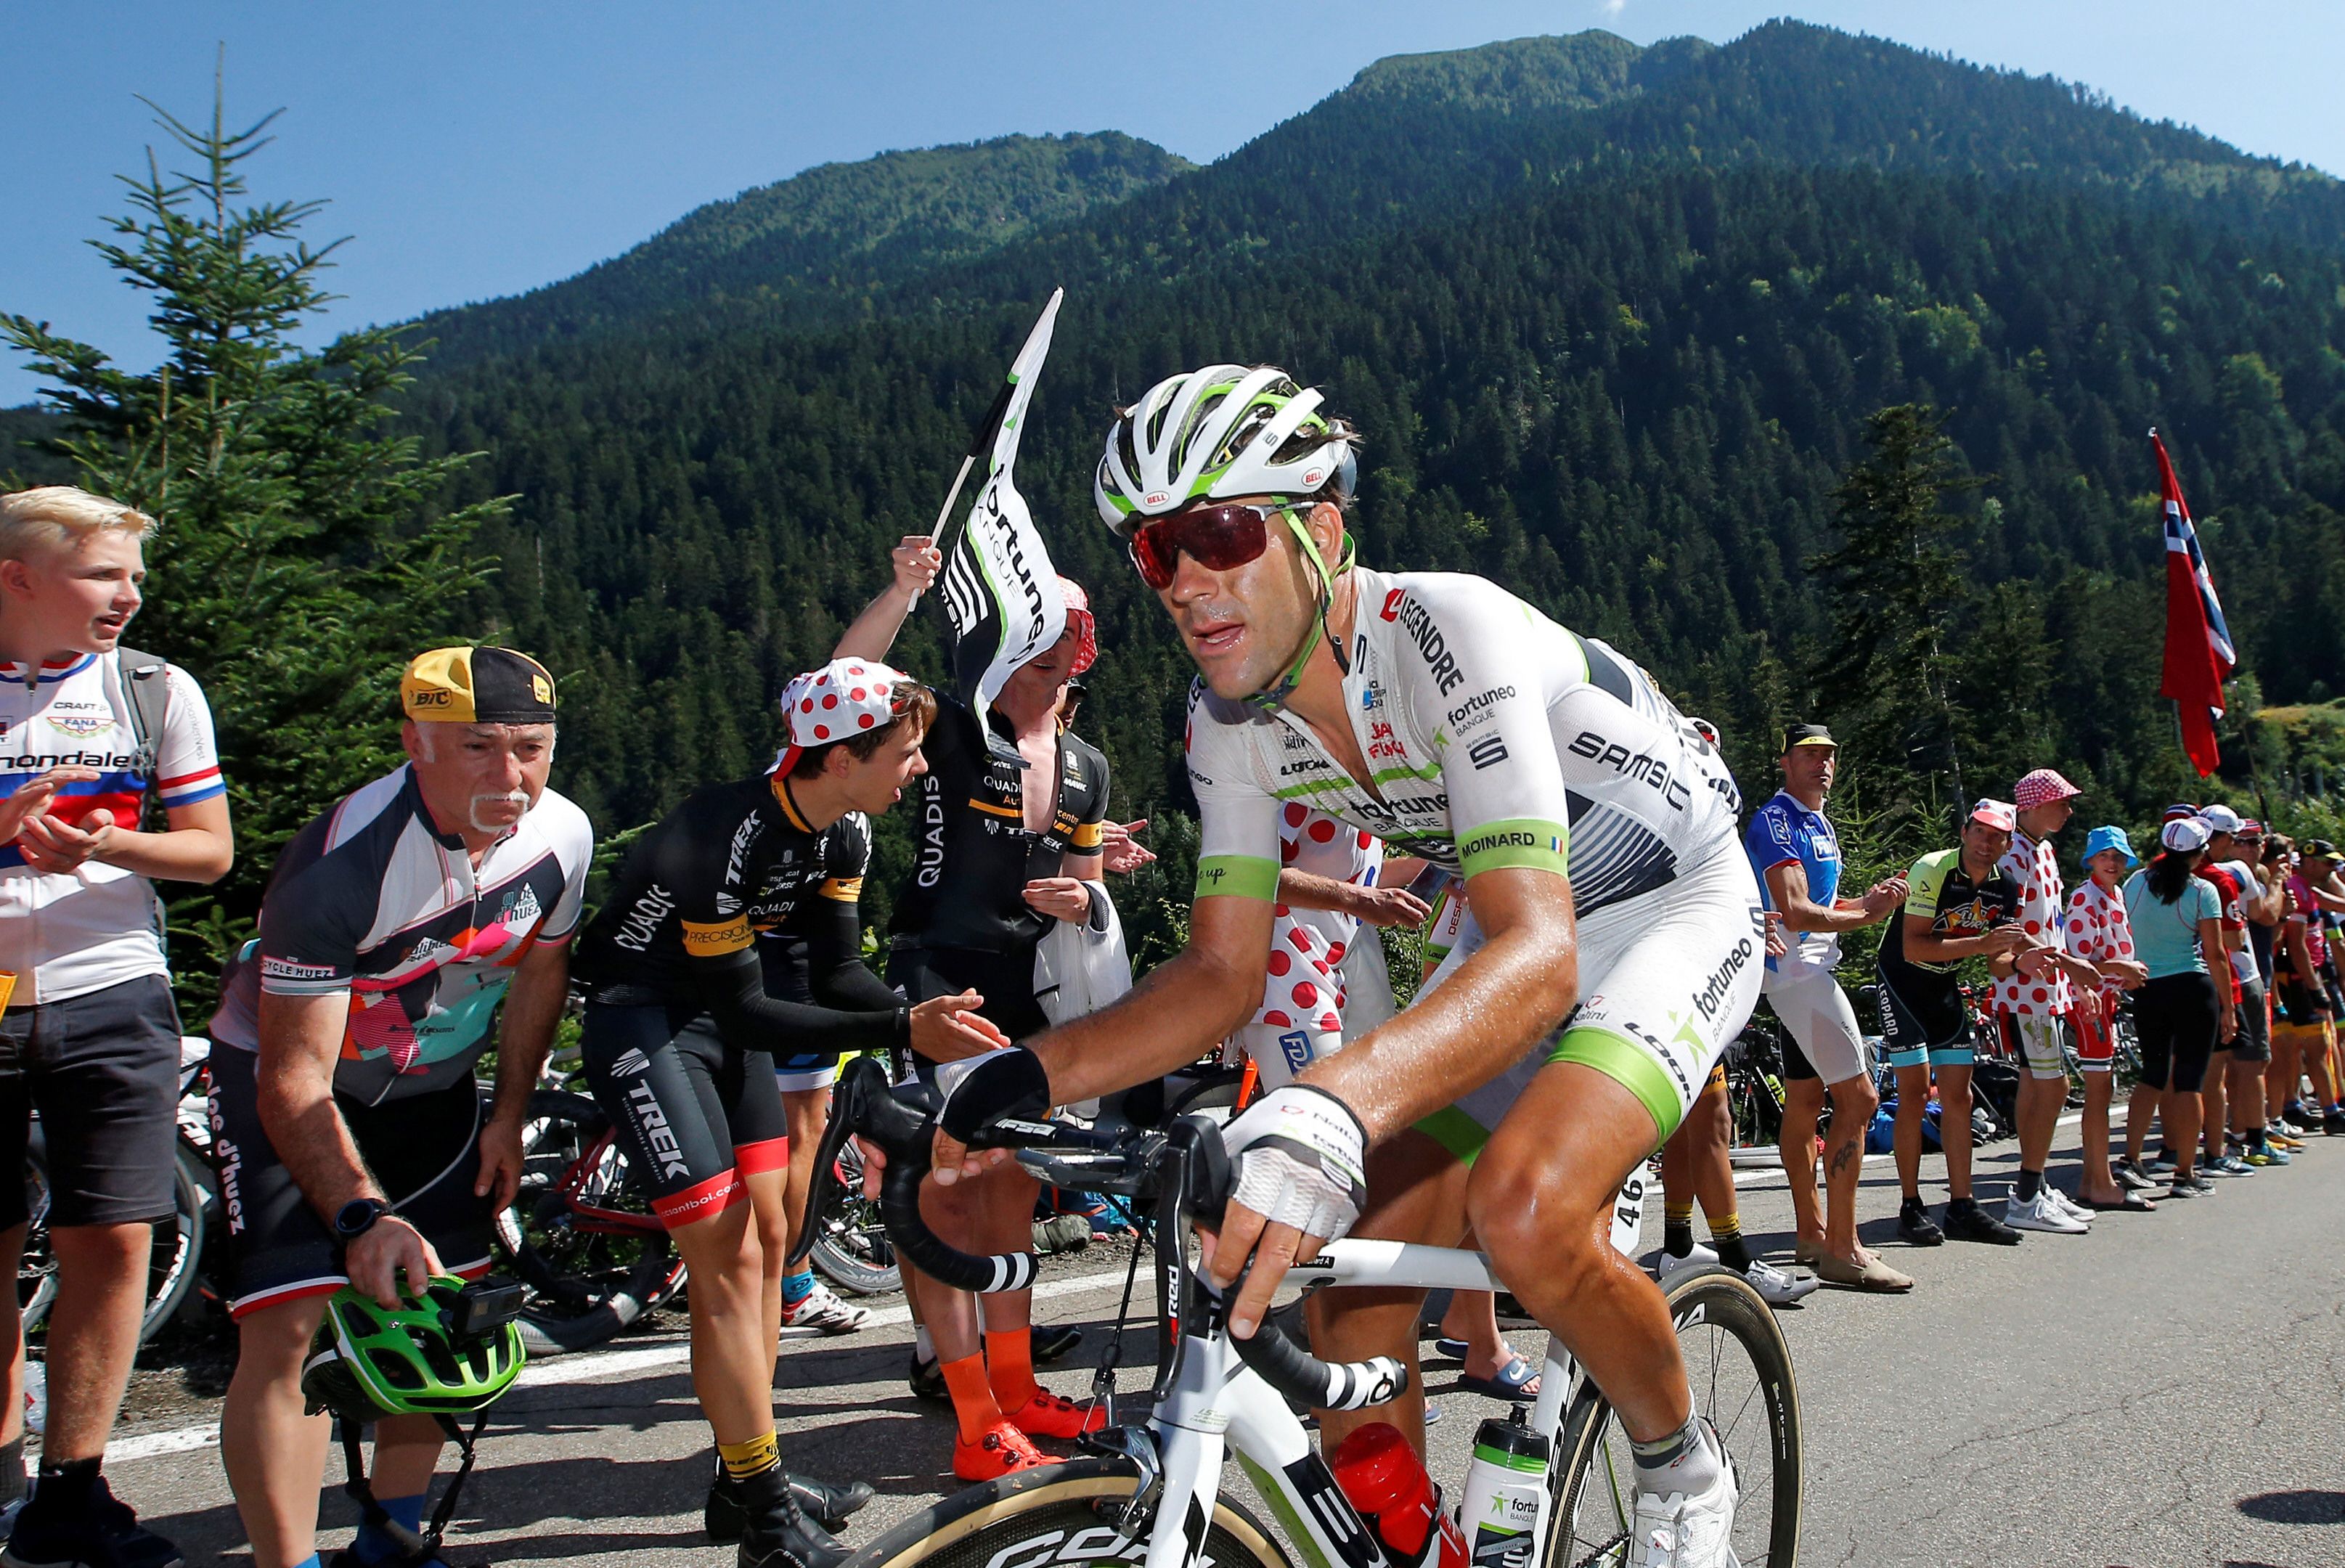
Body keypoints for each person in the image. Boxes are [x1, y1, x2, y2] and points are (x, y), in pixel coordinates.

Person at [915, 364, 1766, 1563]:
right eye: (1158, 552)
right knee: (1349, 1284)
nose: (1187, 583)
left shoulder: (1445, 629)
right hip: (1520, 931)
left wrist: (1328, 1108)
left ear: (1319, 530)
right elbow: (1219, 976)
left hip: (1670, 904)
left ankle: (1681, 1470)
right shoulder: (1229, 724)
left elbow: (1536, 952)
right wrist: (1016, 1080)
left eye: (1222, 533)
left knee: (1524, 1210)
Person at [573, 658, 977, 1568]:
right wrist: (899, 1026)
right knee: (725, 1260)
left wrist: (924, 1019)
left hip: (722, 1026)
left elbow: (836, 972)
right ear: (840, 758)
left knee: (768, 1247)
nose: (919, 768)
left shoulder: (844, 833)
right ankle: (765, 1522)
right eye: (906, 752)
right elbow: (751, 1009)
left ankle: (742, 1479)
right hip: (645, 1022)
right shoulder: (723, 831)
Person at [205, 648, 584, 1568]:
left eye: (530, 749)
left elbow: (542, 972)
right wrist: (360, 1215)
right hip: (288, 1085)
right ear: (417, 742)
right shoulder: (341, 863)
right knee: (288, 1327)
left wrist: (508, 1115)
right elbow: (291, 1079)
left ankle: (392, 1540)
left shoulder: (563, 834)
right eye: (478, 747)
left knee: (445, 1315)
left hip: (432, 1088)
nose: (510, 776)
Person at [0, 487, 233, 1568]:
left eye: (135, 576)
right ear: (18, 578)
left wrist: (104, 848)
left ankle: (73, 1495)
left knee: (117, 1235)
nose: (130, 596)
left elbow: (210, 852)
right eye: (104, 574)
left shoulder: (154, 688)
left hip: (113, 988)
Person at [839, 572, 1113, 1481]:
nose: (1048, 652)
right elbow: (847, 682)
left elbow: (1088, 886)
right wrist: (901, 592)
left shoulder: (1086, 766)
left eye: (1064, 636)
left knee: (1010, 1194)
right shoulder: (957, 728)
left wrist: (1082, 897)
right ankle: (972, 1418)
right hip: (935, 976)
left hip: (1024, 989)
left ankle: (1016, 1388)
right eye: (1034, 632)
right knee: (945, 1195)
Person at [1744, 722, 1912, 1290]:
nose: (1823, 764)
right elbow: (1795, 911)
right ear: (1786, 762)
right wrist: (1866, 916)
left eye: (1829, 755)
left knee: (1806, 1097)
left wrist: (1868, 900)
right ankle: (1845, 1248)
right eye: (1810, 754)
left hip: (1809, 971)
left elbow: (1823, 902)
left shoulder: (1817, 821)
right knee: (1860, 1099)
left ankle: (1813, 1234)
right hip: (1799, 975)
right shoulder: (1777, 820)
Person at [1876, 800, 2027, 1246]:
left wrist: (2023, 961)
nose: (1986, 843)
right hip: (1902, 982)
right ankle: (1911, 1205)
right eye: (1979, 832)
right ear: (1964, 832)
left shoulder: (2006, 887)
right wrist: (1983, 944)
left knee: (1960, 1096)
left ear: (2008, 844)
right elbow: (1914, 947)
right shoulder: (1933, 869)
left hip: (1943, 987)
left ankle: (1963, 1205)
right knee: (1916, 1092)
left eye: (1997, 836)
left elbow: (1998, 960)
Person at [1990, 769, 2104, 1233]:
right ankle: (2026, 1195)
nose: (2069, 811)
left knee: (2036, 1083)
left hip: (2048, 988)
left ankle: (2032, 1186)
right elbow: (2006, 926)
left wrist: (2074, 980)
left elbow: (2051, 923)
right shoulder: (2012, 855)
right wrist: (2070, 966)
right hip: (2026, 991)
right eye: (2062, 803)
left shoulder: (2044, 850)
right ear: (2035, 806)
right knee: (2053, 1085)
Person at [2119, 817, 2234, 1197]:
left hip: (2147, 986)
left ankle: (2130, 1158)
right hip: (2192, 988)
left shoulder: (2135, 883)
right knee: (2189, 1082)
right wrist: (2229, 1008)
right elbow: (2216, 954)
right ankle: (2186, 1173)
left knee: (2152, 1075)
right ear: (2199, 854)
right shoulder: (2202, 891)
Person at [2063, 827, 2153, 1206]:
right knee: (2098, 1092)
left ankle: (2096, 1177)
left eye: (2118, 856)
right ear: (2091, 860)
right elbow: (2078, 961)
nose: (2112, 863)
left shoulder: (2113, 894)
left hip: (2106, 999)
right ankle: (2099, 1181)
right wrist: (2122, 968)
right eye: (2105, 856)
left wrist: (2124, 975)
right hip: (2089, 1001)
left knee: (2103, 1090)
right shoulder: (2086, 898)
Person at [2197, 805, 2278, 1170]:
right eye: (2237, 839)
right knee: (2252, 1063)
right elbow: (2265, 915)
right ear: (2226, 840)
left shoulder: (2166, 872)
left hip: (2196, 977)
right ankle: (2255, 1139)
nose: (2241, 847)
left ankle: (2207, 1144)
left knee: (2208, 1069)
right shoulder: (2234, 873)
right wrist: (2277, 882)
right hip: (2240, 975)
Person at [2275, 840, 2345, 1135]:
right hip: (2297, 977)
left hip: (2306, 974)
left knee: (2304, 1046)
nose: (2332, 870)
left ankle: (2301, 1106)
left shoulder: (2308, 889)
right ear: (2310, 862)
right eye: (2328, 864)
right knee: (2314, 1046)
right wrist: (2316, 988)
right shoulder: (2297, 889)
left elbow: (2337, 904)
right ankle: (2328, 1112)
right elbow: (2297, 945)